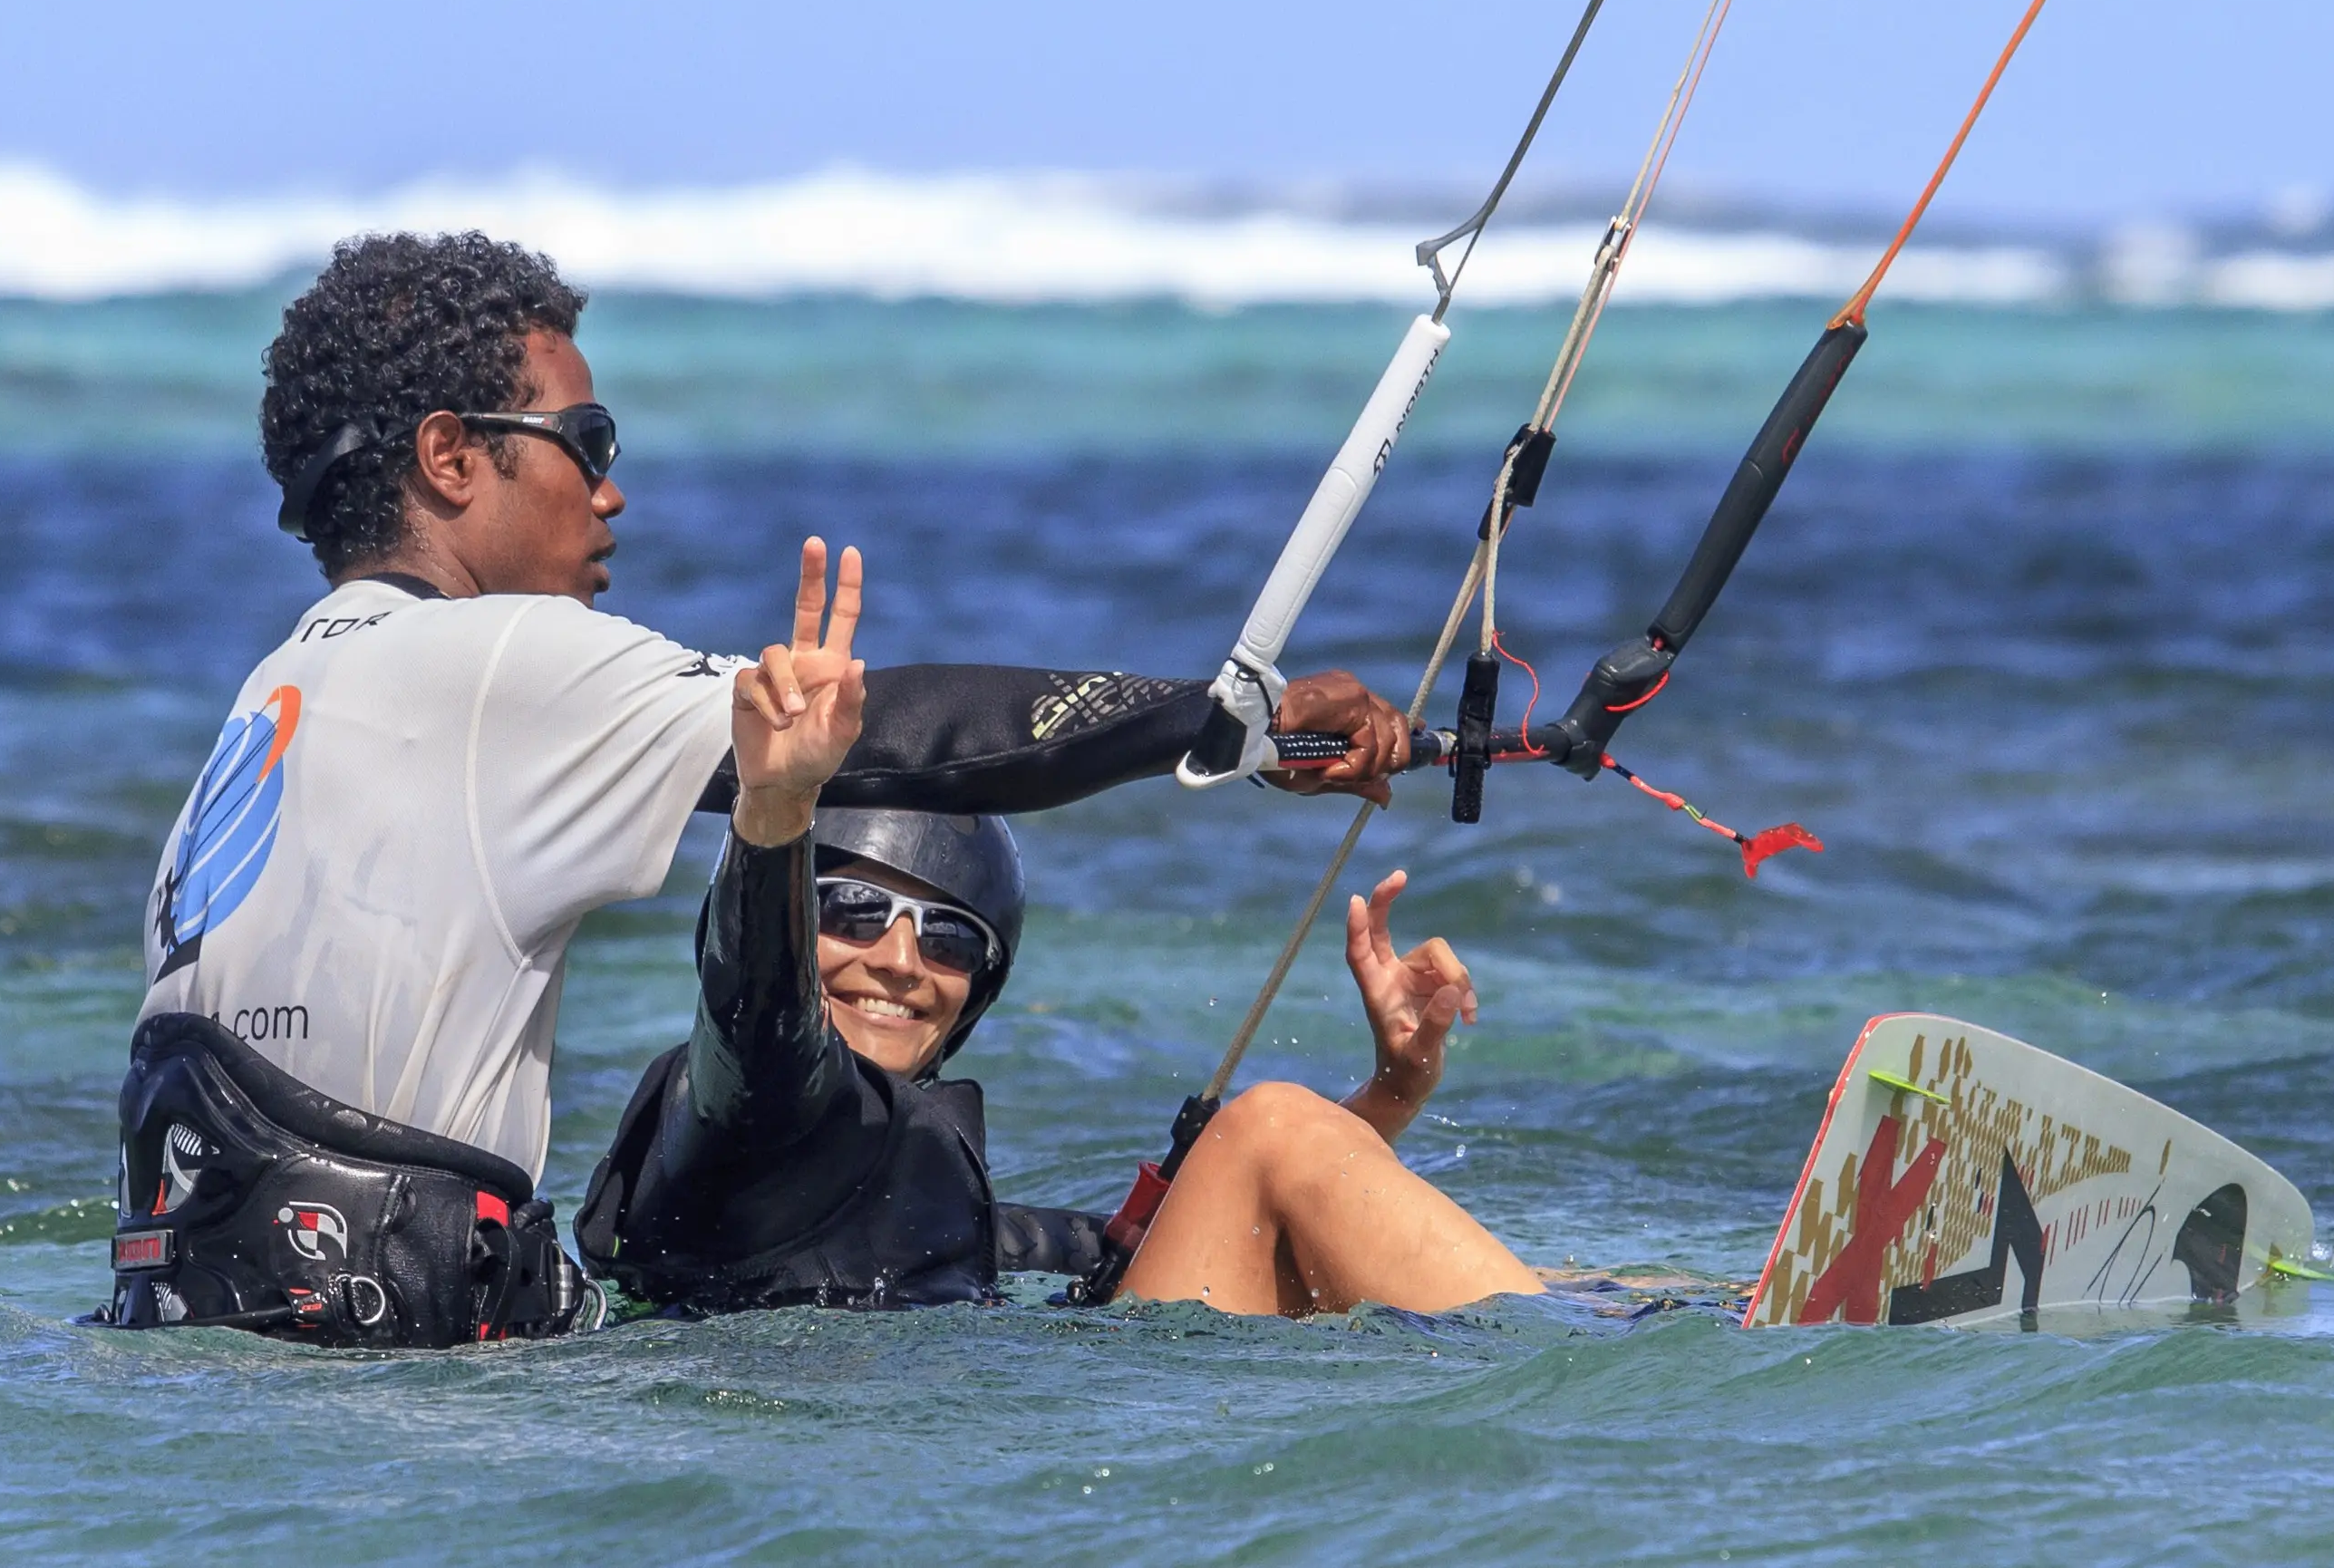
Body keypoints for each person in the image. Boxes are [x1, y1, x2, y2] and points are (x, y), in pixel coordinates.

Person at [95, 230, 1410, 1347]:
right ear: (451, 457)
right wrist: (1225, 722)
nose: (609, 490)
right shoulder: (494, 657)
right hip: (393, 1406)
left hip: (210, 1350)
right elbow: (892, 736)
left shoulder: (277, 695)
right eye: (582, 438)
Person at [576, 570, 1545, 1318]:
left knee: (1276, 1171)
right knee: (1269, 1131)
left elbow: (1192, 1231)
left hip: (984, 1439)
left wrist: (1390, 1094)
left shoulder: (928, 1195)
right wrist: (776, 804)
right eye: (855, 913)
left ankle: (1607, 1313)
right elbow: (757, 1000)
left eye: (951, 937)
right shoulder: (737, 1105)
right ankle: (1583, 1353)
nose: (903, 961)